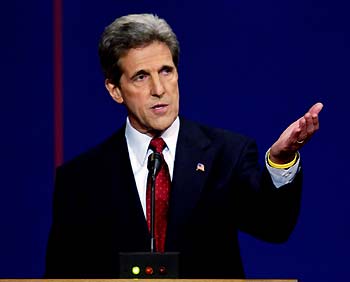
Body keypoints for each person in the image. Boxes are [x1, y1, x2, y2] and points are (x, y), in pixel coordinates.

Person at [45, 13, 323, 278]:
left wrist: (280, 159)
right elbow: (61, 275)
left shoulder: (226, 154)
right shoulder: (80, 179)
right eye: (141, 76)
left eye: (166, 71)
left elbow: (273, 226)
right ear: (115, 90)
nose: (159, 88)